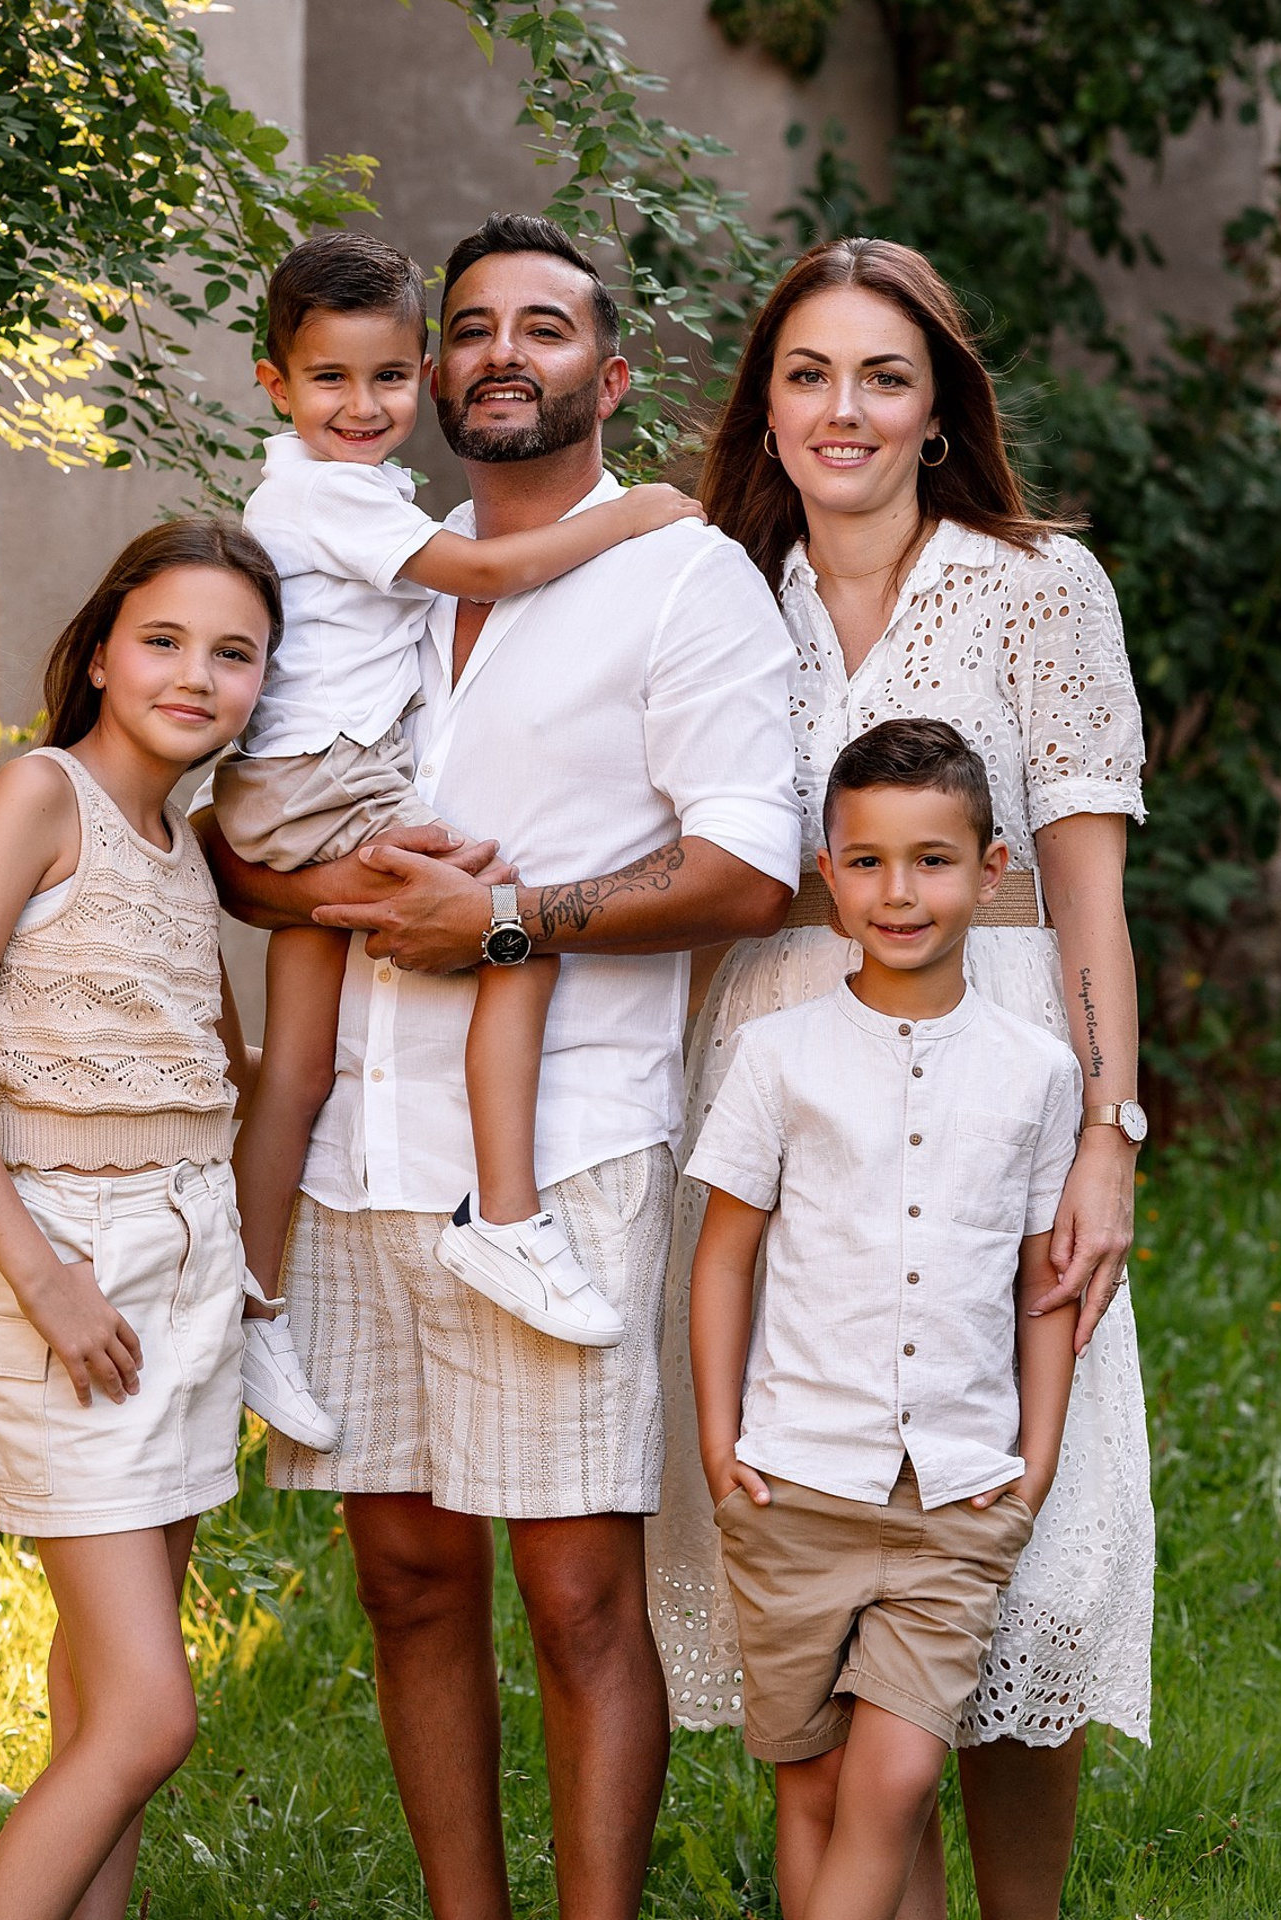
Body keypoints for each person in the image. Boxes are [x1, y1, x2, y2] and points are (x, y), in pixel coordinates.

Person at [200, 212, 802, 1920]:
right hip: (352, 1153)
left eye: (544, 329)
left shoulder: (682, 578)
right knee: (401, 1577)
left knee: (578, 1596)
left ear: (608, 377)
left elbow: (750, 871)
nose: (498, 355)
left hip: (560, 1154)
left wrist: (513, 923)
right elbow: (248, 825)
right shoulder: (362, 562)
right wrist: (321, 887)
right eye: (469, 327)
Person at [650, 235, 1155, 1920]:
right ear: (766, 405)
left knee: (1021, 1536)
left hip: (1001, 1063)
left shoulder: (1033, 587)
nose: (843, 409)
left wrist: (1109, 1131)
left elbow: (1087, 886)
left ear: (938, 403)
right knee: (824, 1534)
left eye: (883, 374)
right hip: (785, 1082)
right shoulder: (718, 589)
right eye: (807, 375)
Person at [0, 519, 311, 1920]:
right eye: (167, 640)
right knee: (148, 1717)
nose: (197, 675)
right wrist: (42, 1275)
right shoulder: (42, 795)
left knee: (99, 1720)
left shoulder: (181, 846)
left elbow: (213, 1071)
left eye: (235, 653)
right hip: (74, 1267)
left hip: (185, 1269)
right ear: (106, 646)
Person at [216, 232, 706, 1358]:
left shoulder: (354, 492)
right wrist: (636, 513)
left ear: (419, 370)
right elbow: (489, 572)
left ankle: (248, 1304)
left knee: (296, 1065)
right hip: (327, 781)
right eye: (329, 380)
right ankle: (509, 1214)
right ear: (276, 385)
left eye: (387, 376)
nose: (363, 404)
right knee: (510, 924)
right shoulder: (338, 498)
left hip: (292, 783)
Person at [689, 718, 1081, 1920]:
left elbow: (1042, 1280)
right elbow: (725, 1259)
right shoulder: (777, 1056)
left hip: (956, 1495)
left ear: (992, 870)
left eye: (932, 860)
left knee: (901, 1775)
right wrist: (720, 1442)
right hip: (795, 1482)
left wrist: (1038, 1460)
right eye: (867, 861)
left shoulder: (1038, 1069)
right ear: (828, 872)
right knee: (816, 1791)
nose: (899, 892)